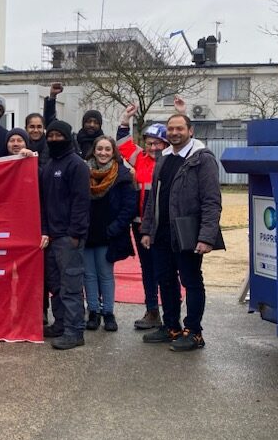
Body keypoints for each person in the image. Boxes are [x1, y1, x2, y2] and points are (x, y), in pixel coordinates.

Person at [140, 113, 223, 352]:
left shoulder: (202, 159)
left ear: (190, 130)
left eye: (179, 129)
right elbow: (152, 200)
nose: (174, 133)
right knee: (165, 280)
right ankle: (171, 327)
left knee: (191, 280)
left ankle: (194, 332)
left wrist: (206, 236)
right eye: (171, 129)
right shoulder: (163, 159)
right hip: (161, 233)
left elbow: (211, 200)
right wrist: (147, 229)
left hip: (187, 233)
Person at [115, 96, 187, 330]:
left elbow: (188, 143)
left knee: (167, 269)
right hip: (141, 225)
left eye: (158, 143)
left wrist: (182, 113)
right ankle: (152, 311)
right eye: (149, 143)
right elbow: (123, 143)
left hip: (165, 225)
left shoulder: (174, 160)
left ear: (167, 144)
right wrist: (126, 118)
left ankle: (171, 314)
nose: (154, 147)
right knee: (147, 269)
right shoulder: (140, 159)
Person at [39, 120, 91, 350]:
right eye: (50, 136)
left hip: (69, 238)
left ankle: (74, 331)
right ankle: (60, 324)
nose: (53, 140)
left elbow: (81, 201)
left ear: (68, 137)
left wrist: (75, 233)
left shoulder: (76, 164)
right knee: (56, 286)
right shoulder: (50, 164)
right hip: (51, 237)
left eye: (58, 135)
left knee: (70, 286)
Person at [82, 136, 137, 333]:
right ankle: (93, 312)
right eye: (99, 149)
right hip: (87, 232)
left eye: (107, 149)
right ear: (93, 150)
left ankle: (108, 313)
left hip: (109, 233)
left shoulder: (122, 174)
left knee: (105, 274)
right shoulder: (83, 172)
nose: (103, 153)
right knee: (88, 275)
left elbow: (129, 206)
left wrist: (115, 228)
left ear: (113, 152)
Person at [25, 82, 62, 165]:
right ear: (26, 128)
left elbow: (50, 119)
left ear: (44, 128)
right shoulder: (21, 146)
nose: (35, 130)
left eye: (39, 127)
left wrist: (52, 97)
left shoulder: (51, 145)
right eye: (32, 127)